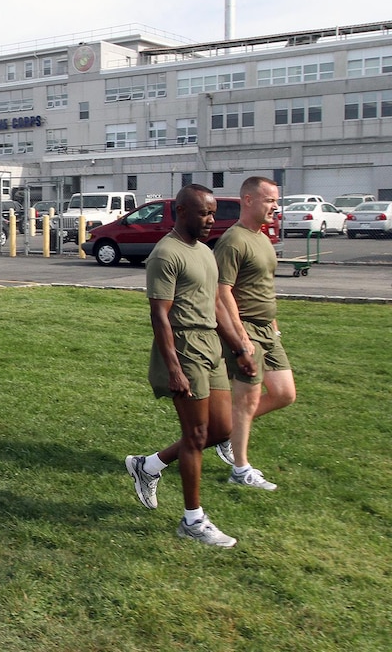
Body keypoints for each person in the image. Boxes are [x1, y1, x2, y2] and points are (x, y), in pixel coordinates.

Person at [124, 184, 236, 547]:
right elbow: (159, 314)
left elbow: (216, 303)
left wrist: (238, 345)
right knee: (196, 436)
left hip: (211, 345)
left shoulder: (205, 251)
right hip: (184, 345)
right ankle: (192, 520)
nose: (211, 219)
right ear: (181, 211)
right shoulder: (165, 254)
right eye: (204, 212)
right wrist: (173, 367)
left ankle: (148, 465)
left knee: (221, 431)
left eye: (213, 212)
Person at [214, 175, 297, 490]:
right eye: (269, 200)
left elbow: (264, 286)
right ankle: (240, 468)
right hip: (245, 329)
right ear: (248, 200)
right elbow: (223, 294)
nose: (274, 207)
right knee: (245, 401)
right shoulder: (233, 241)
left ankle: (225, 434)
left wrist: (273, 328)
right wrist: (240, 338)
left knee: (284, 393)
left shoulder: (262, 238)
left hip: (267, 330)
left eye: (276, 201)